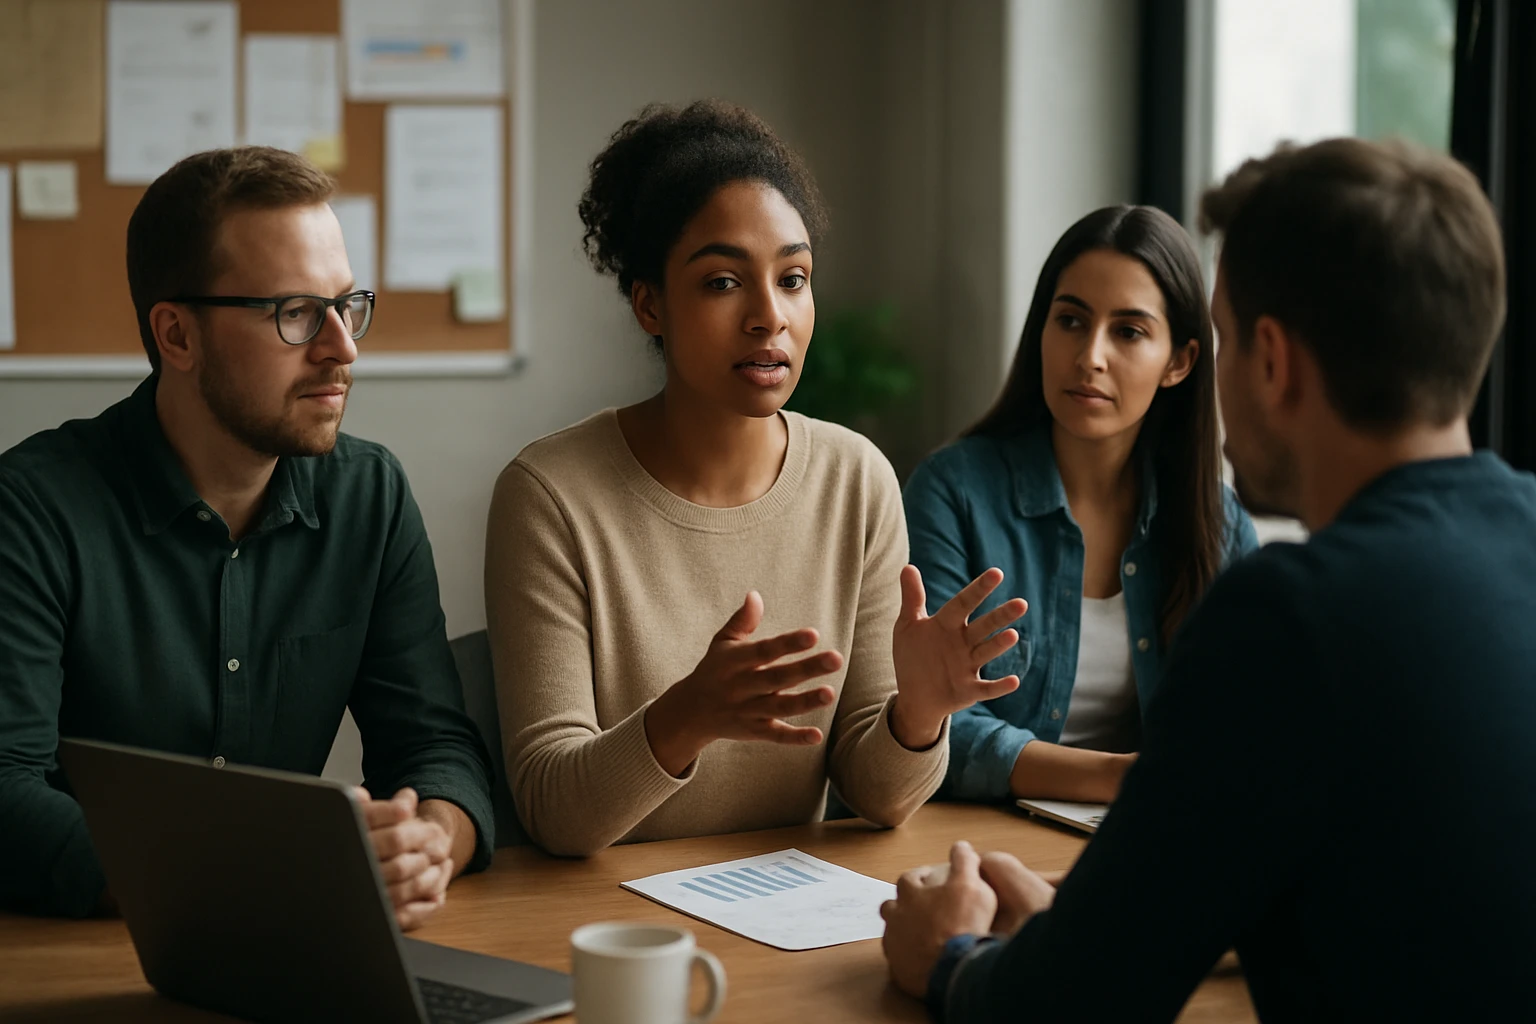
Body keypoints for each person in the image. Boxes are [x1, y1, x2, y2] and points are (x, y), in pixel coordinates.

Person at [879, 137, 1536, 1021]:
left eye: (1216, 342)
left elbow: (1062, 1008)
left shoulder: (1288, 620)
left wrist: (950, 956)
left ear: (1273, 360)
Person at [485, 101, 1023, 856]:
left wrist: (919, 716)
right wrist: (689, 715)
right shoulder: (550, 495)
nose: (770, 316)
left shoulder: (855, 478)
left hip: (777, 916)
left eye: (794, 278)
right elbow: (553, 809)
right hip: (610, 935)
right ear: (650, 303)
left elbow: (879, 798)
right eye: (721, 283)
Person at [0, 148, 494, 929]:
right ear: (177, 336)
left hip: (296, 950)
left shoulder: (370, 496)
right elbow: (6, 794)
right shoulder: (32, 508)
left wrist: (426, 846)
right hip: (83, 954)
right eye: (295, 313)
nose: (343, 347)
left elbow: (436, 748)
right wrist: (260, 877)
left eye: (347, 304)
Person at [905, 205, 1257, 806]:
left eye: (1129, 331)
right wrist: (1117, 779)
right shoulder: (953, 491)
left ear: (1180, 361)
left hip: (1138, 841)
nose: (1090, 355)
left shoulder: (1216, 526)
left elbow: (1246, 726)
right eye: (1070, 320)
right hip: (968, 839)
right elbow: (924, 722)